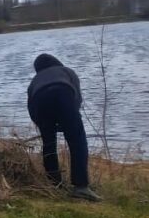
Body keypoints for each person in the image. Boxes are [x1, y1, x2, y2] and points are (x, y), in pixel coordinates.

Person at [27, 53, 101, 201]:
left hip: (39, 101)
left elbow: (31, 108)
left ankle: (54, 184)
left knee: (48, 143)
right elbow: (77, 99)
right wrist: (68, 123)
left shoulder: (35, 80)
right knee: (77, 140)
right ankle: (81, 187)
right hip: (63, 94)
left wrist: (44, 126)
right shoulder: (67, 71)